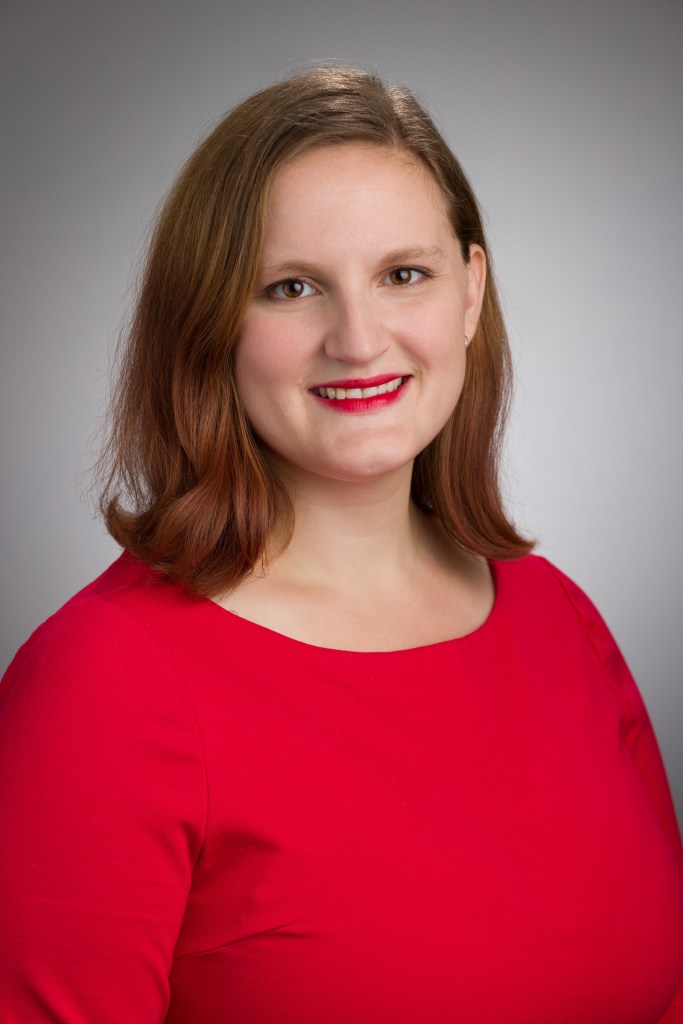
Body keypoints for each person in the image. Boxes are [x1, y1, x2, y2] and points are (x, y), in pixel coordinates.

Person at [1, 65, 681, 1023]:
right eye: (290, 288)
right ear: (209, 325)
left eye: (403, 274)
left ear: (470, 290)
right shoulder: (106, 684)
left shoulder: (557, 615)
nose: (358, 340)